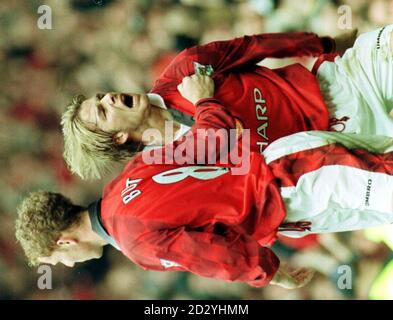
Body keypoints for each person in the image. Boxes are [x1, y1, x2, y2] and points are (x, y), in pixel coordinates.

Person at [17, 103, 393, 288]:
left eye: (58, 258)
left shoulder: (135, 242)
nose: (66, 265)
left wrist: (273, 274)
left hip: (299, 185)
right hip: (292, 159)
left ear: (64, 240)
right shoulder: (123, 181)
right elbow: (214, 139)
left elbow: (217, 254)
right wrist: (207, 103)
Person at [62, 30, 362, 180]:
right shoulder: (177, 166)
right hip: (338, 158)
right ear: (118, 138)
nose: (109, 97)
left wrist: (324, 45)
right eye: (103, 110)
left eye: (101, 96)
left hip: (335, 91)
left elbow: (254, 46)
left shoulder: (184, 70)